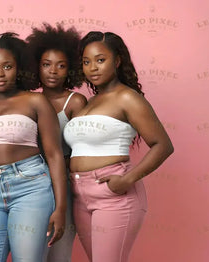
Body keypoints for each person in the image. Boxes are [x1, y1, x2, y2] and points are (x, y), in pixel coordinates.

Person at [64, 31, 174, 262]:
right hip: (80, 195)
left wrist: (127, 179)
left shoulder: (127, 98)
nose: (93, 67)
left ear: (117, 60)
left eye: (100, 60)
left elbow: (162, 145)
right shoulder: (89, 102)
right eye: (86, 62)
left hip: (114, 193)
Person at [0, 32, 67, 262]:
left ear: (19, 67)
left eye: (7, 66)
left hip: (30, 187)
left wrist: (60, 208)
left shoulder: (35, 101)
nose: (0, 74)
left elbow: (54, 154)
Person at [26, 23, 87, 262]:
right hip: (31, 184)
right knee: (32, 251)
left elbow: (82, 148)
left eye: (61, 65)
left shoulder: (76, 102)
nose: (53, 71)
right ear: (36, 67)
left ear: (70, 69)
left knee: (59, 252)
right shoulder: (28, 101)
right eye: (46, 64)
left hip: (65, 184)